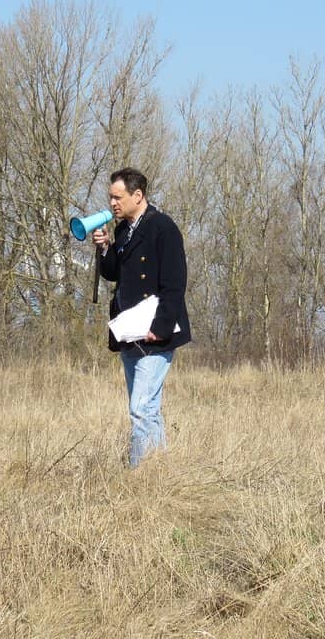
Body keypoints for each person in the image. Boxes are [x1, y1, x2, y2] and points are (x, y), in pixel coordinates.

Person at [92, 167, 191, 467]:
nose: (112, 204)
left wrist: (159, 329)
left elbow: (175, 283)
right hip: (129, 331)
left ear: (138, 195)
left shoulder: (163, 228)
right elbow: (114, 274)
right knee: (148, 409)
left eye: (117, 197)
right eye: (110, 197)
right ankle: (159, 470)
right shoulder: (123, 230)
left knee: (140, 409)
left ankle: (138, 476)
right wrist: (105, 247)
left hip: (155, 333)